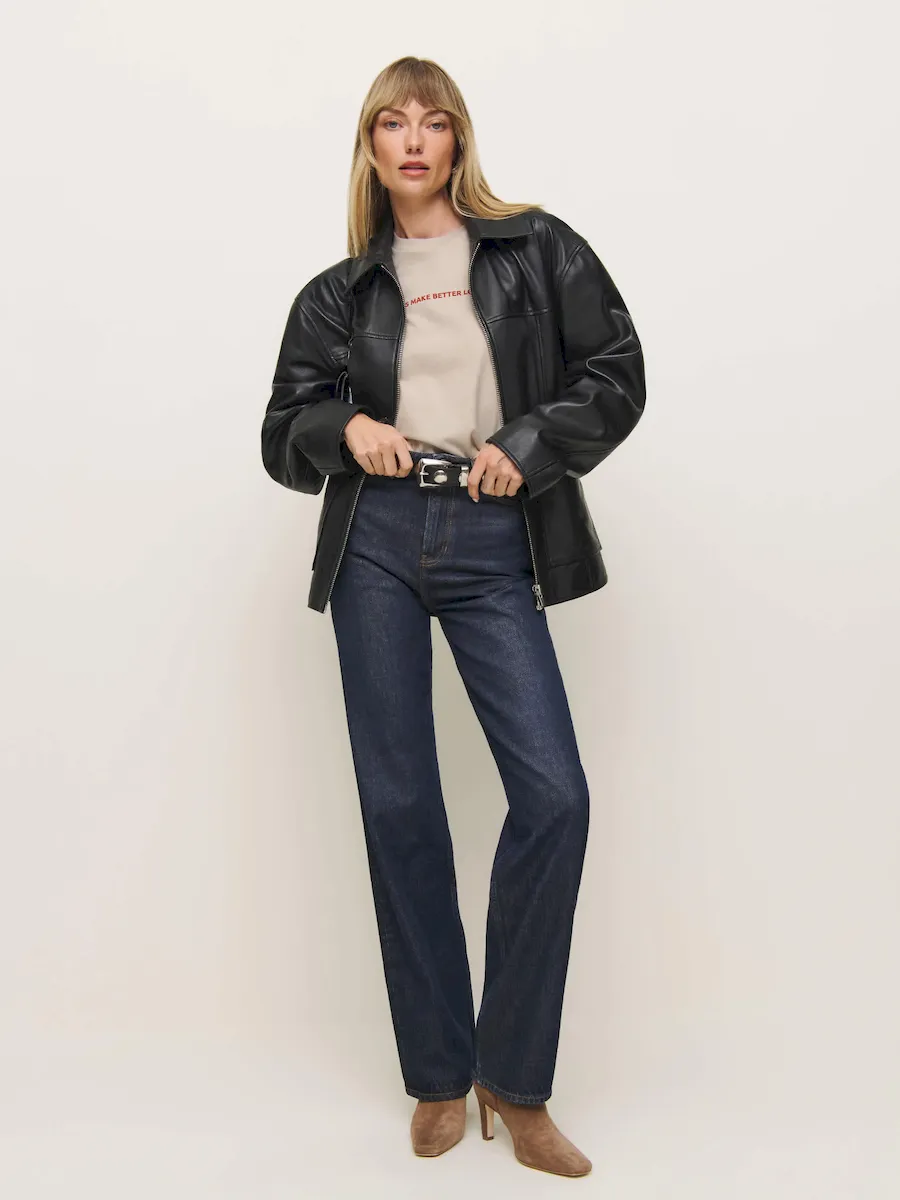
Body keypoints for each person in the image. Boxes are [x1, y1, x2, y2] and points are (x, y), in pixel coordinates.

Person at [261, 56, 646, 1177]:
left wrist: (527, 446)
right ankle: (437, 1074)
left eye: (434, 121)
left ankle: (513, 1081)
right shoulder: (337, 295)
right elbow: (282, 430)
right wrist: (344, 429)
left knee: (555, 795)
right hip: (376, 538)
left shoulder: (536, 249)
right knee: (400, 805)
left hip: (491, 533)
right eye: (393, 123)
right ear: (371, 148)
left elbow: (616, 373)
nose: (415, 139)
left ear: (459, 140)